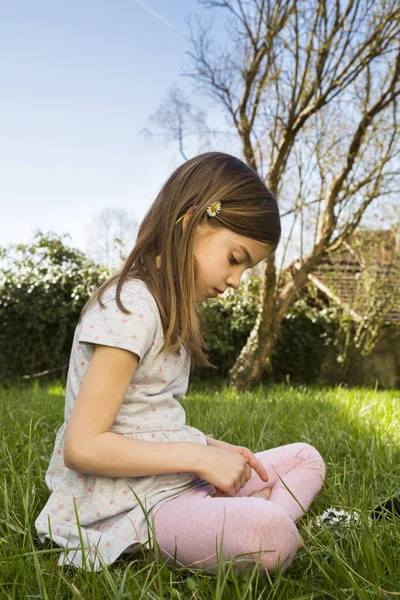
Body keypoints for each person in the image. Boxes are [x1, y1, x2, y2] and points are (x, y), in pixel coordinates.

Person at [35, 151, 326, 574]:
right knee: (268, 536)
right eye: (234, 259)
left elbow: (149, 420)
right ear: (191, 222)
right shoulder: (131, 306)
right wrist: (198, 458)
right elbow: (83, 446)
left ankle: (241, 517)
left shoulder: (169, 311)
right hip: (133, 505)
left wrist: (210, 447)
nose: (235, 281)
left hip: (174, 483)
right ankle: (253, 523)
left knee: (306, 459)